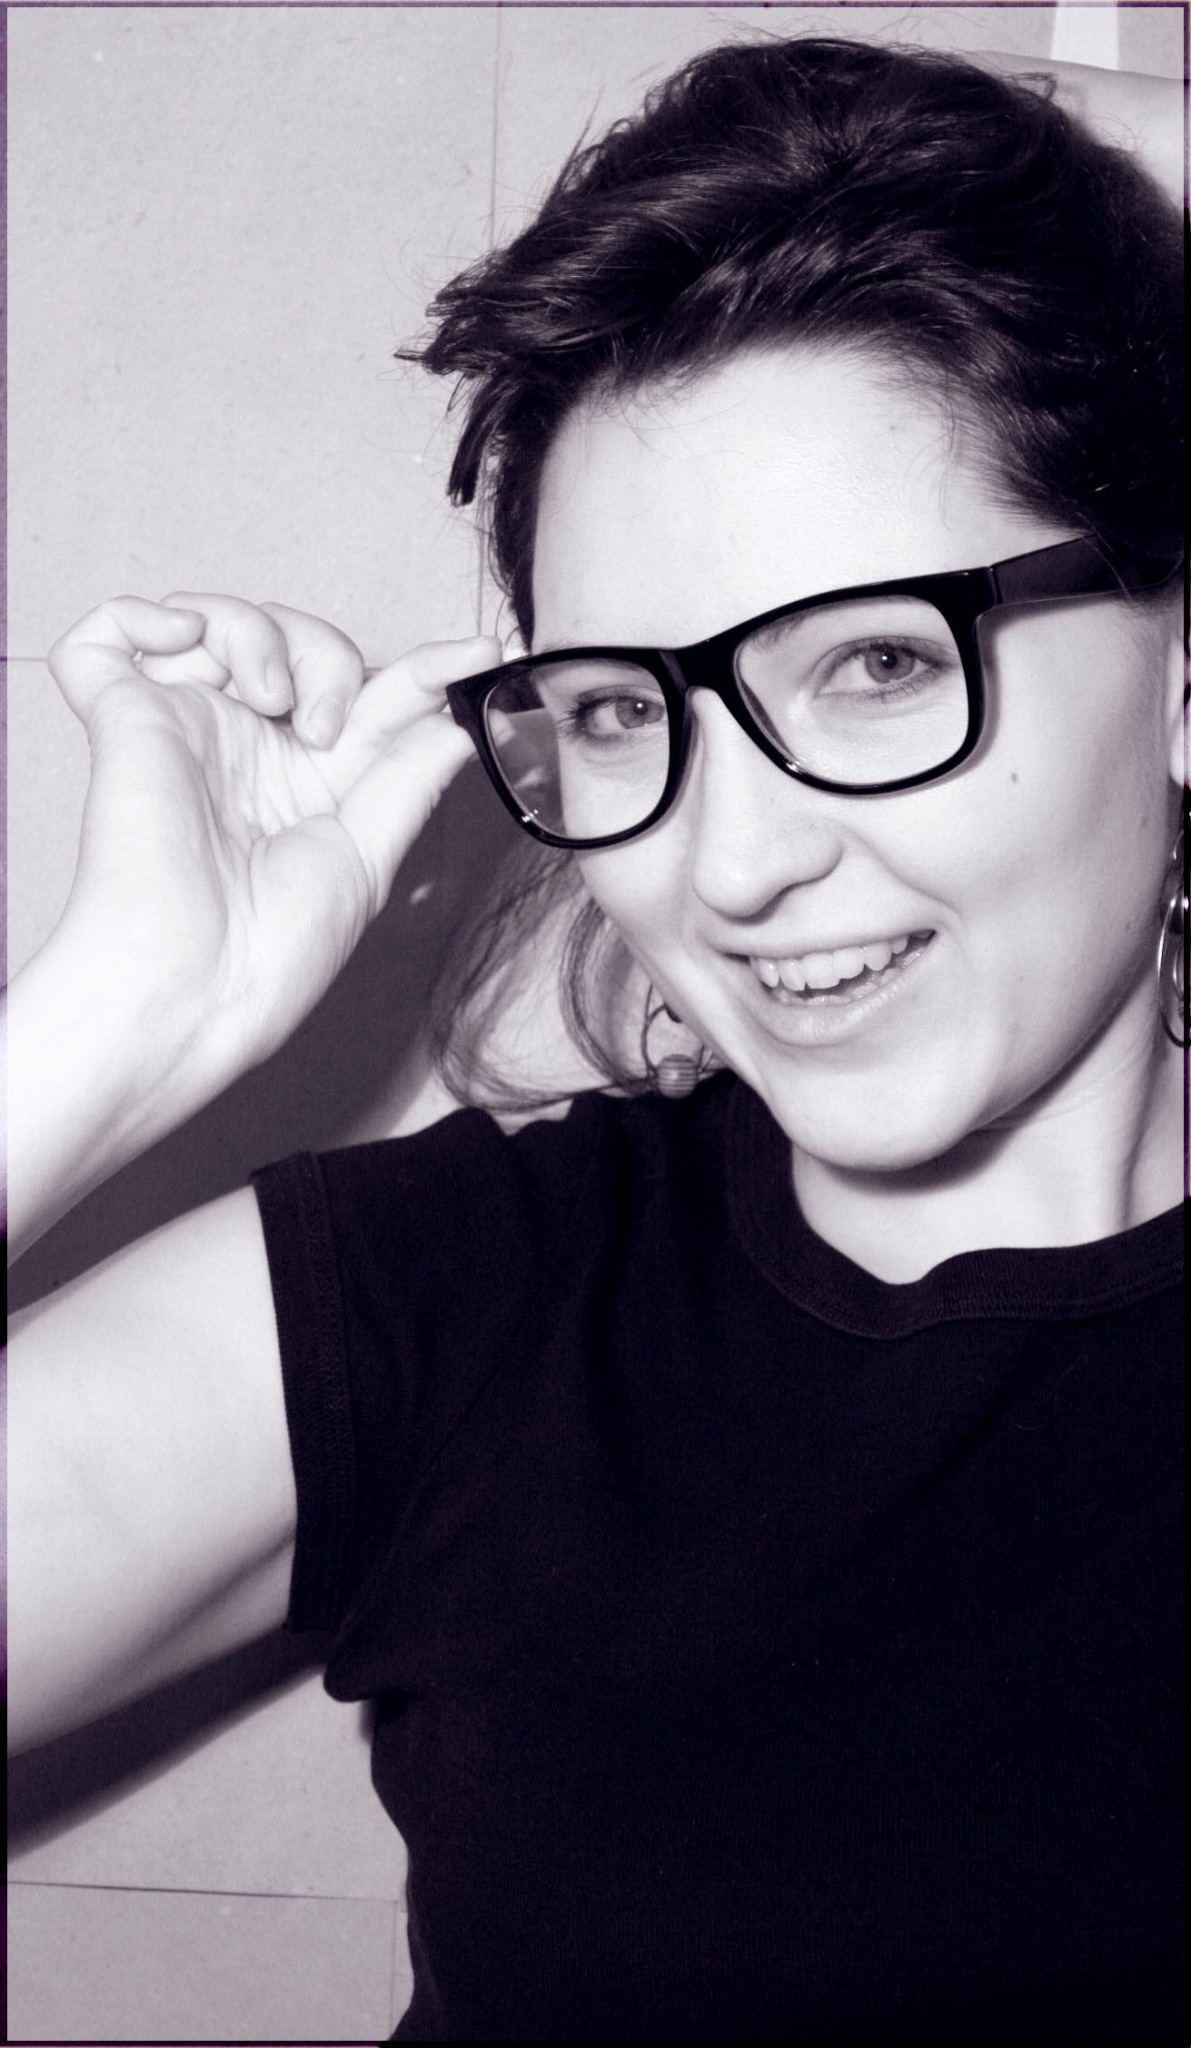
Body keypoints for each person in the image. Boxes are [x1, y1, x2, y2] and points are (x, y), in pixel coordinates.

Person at [6, 35, 1184, 2042]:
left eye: (875, 661)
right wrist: (117, 1023)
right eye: (628, 709)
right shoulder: (463, 1298)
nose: (732, 861)